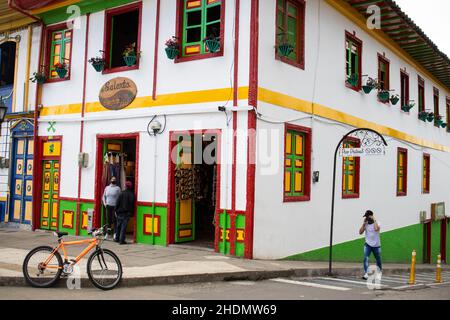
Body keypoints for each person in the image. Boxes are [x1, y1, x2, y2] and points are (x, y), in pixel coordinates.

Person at [359, 210, 382, 280]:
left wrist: (374, 219)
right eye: (366, 217)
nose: (366, 218)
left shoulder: (377, 222)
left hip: (376, 245)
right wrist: (363, 224)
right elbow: (360, 232)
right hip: (367, 244)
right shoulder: (366, 224)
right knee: (366, 258)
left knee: (378, 260)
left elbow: (376, 229)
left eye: (367, 217)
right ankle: (366, 273)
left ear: (371, 216)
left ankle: (378, 274)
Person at [114, 181, 135, 245]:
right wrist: (131, 212)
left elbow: (117, 202)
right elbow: (132, 204)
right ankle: (121, 240)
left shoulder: (121, 193)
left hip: (120, 212)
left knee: (118, 226)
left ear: (125, 186)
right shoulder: (132, 194)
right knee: (123, 227)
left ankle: (117, 238)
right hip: (126, 213)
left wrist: (115, 210)